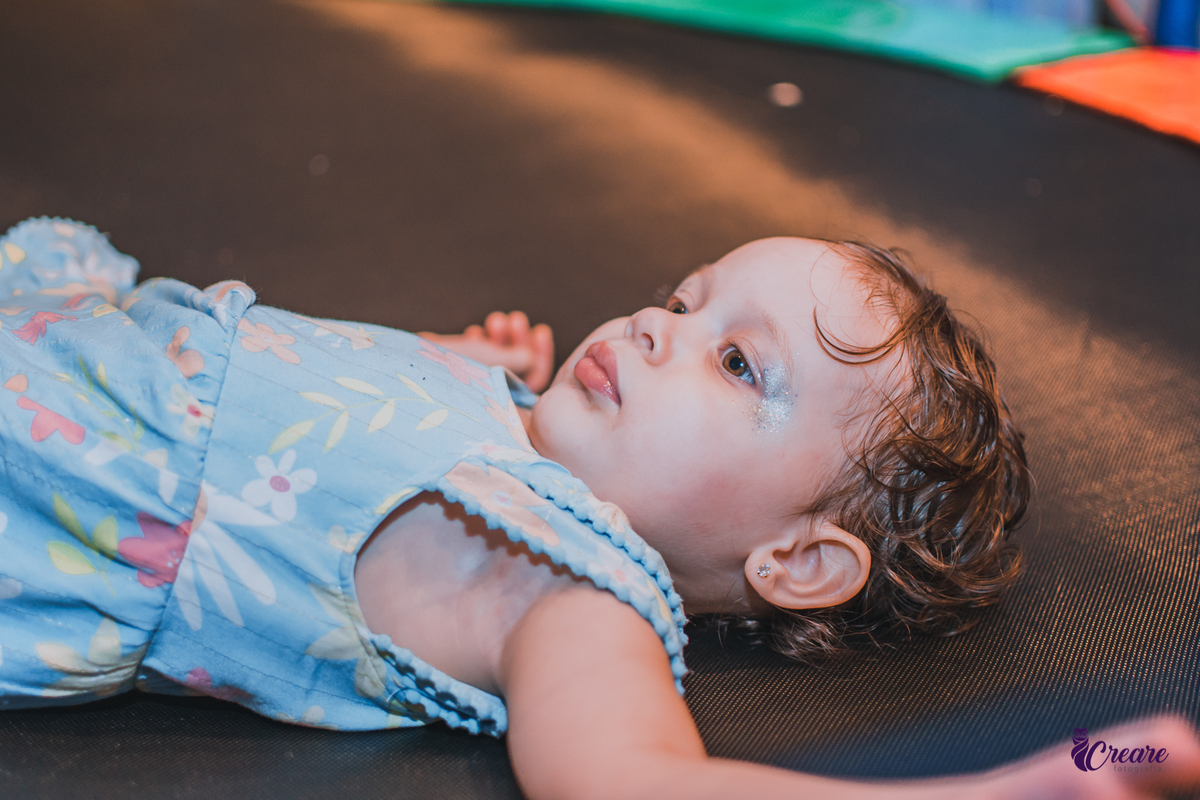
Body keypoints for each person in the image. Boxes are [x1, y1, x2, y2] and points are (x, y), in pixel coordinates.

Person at [0, 217, 1196, 798]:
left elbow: (637, 783)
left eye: (738, 364)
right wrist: (455, 355)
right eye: (686, 297)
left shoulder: (568, 582)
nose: (657, 325)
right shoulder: (507, 415)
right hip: (67, 345)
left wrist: (1004, 789)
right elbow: (306, 380)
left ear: (796, 559)